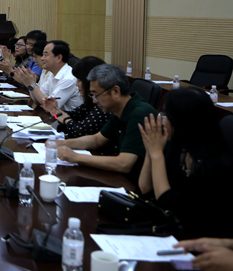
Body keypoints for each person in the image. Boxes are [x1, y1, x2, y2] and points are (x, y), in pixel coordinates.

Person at [138, 87, 233, 239]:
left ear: (183, 121)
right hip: (176, 228)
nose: (162, 121)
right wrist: (151, 151)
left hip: (203, 239)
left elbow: (168, 204)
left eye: (166, 115)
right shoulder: (180, 147)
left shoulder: (214, 165)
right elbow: (145, 188)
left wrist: (156, 154)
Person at [57, 64, 155, 182]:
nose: (94, 101)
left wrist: (75, 157)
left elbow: (124, 164)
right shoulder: (118, 109)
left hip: (136, 183)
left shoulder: (139, 114)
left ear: (115, 91)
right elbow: (97, 139)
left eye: (96, 95)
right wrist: (62, 143)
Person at [43, 56, 110, 138]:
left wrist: (65, 119)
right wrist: (54, 111)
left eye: (80, 80)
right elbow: (74, 115)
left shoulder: (103, 105)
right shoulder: (89, 102)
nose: (76, 84)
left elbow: (80, 131)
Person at [14, 40, 83, 112]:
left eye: (46, 55)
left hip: (66, 118)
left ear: (58, 58)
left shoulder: (69, 79)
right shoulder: (53, 74)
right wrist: (29, 84)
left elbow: (50, 106)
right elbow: (37, 100)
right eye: (42, 55)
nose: (42, 58)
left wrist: (32, 84)